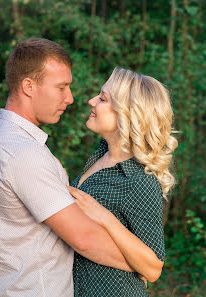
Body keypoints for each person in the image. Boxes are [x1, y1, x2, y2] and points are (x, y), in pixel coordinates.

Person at [0, 38, 133, 297]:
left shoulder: (5, 137)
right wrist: (142, 265)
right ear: (28, 86)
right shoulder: (21, 153)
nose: (70, 98)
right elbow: (84, 238)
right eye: (61, 87)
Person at [67, 67, 178, 296]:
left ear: (126, 114)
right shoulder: (99, 156)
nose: (91, 101)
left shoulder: (139, 181)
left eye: (102, 98)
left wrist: (105, 217)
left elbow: (154, 268)